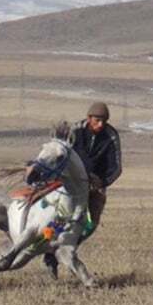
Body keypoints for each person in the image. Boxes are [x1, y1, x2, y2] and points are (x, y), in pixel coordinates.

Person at [45, 101, 122, 277]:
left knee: (89, 224)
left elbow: (116, 167)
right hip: (71, 182)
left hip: (96, 184)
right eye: (97, 120)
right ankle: (50, 254)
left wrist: (102, 182)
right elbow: (61, 154)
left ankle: (67, 248)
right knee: (60, 217)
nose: (100, 124)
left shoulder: (111, 136)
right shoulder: (76, 131)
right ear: (89, 118)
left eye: (104, 121)